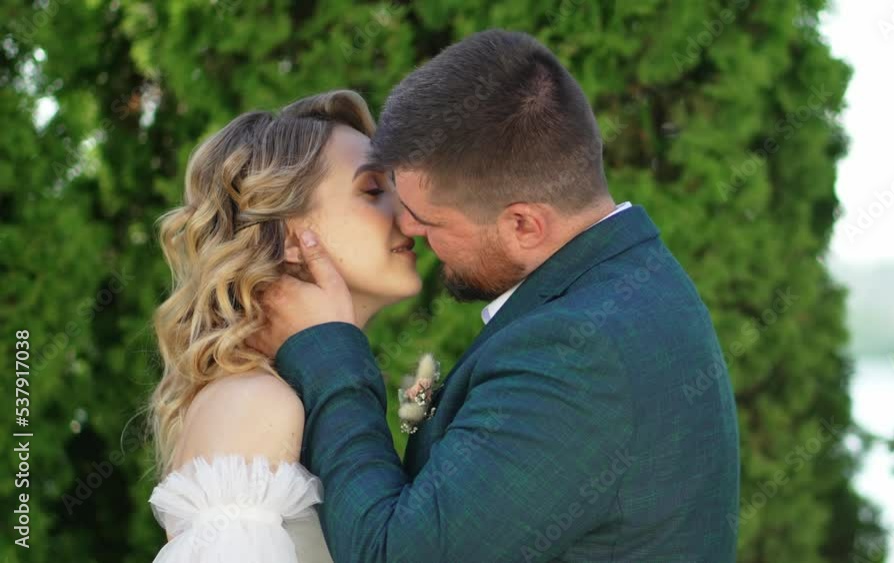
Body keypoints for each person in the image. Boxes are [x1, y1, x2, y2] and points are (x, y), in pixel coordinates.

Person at [251, 30, 740, 562]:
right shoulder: (632, 278)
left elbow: (393, 554)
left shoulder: (577, 354)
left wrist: (328, 352)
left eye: (428, 217)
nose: (408, 227)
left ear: (524, 225)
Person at [146, 89, 422, 562]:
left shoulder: (284, 394)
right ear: (293, 237)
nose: (411, 215)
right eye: (374, 190)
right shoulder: (255, 402)